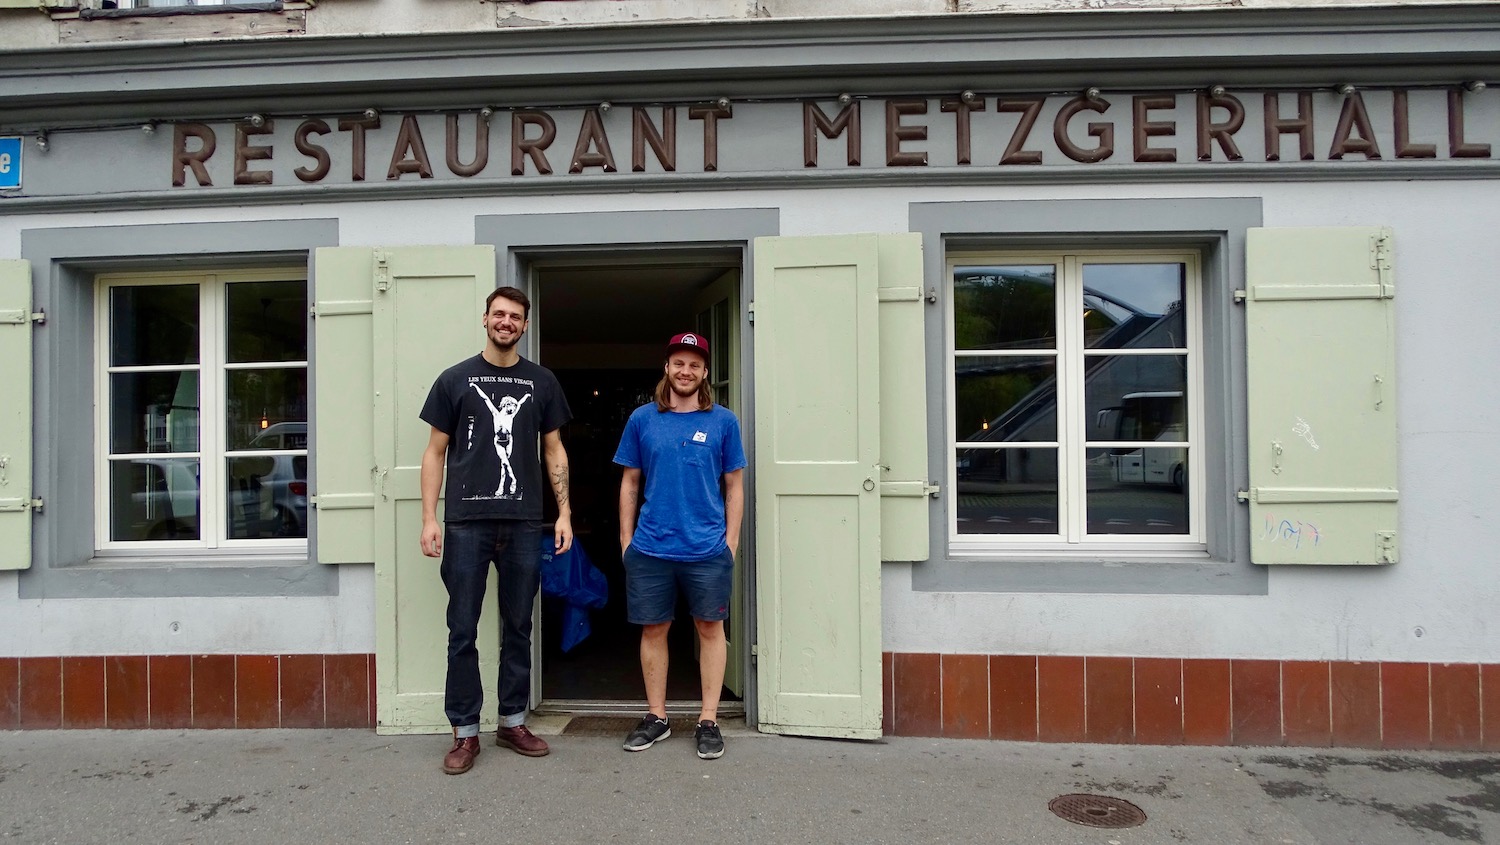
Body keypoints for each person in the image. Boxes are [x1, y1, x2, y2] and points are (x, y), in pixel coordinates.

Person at [419, 285, 573, 775]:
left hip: (525, 522)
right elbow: (434, 452)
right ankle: (464, 733)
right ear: (484, 319)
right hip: (466, 524)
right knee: (462, 629)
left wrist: (563, 513)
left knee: (519, 627)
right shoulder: (455, 380)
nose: (506, 322)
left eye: (515, 317)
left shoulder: (541, 382)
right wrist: (429, 517)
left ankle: (511, 721)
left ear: (525, 326)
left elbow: (554, 450)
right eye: (499, 314)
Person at [614, 332, 746, 760]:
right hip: (651, 547)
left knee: (710, 630)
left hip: (707, 549)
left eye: (694, 364)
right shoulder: (643, 420)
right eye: (678, 363)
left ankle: (708, 720)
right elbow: (630, 481)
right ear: (667, 368)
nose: (685, 371)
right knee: (654, 630)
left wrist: (731, 542)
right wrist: (626, 540)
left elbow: (734, 486)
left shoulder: (723, 421)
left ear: (704, 372)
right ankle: (657, 717)